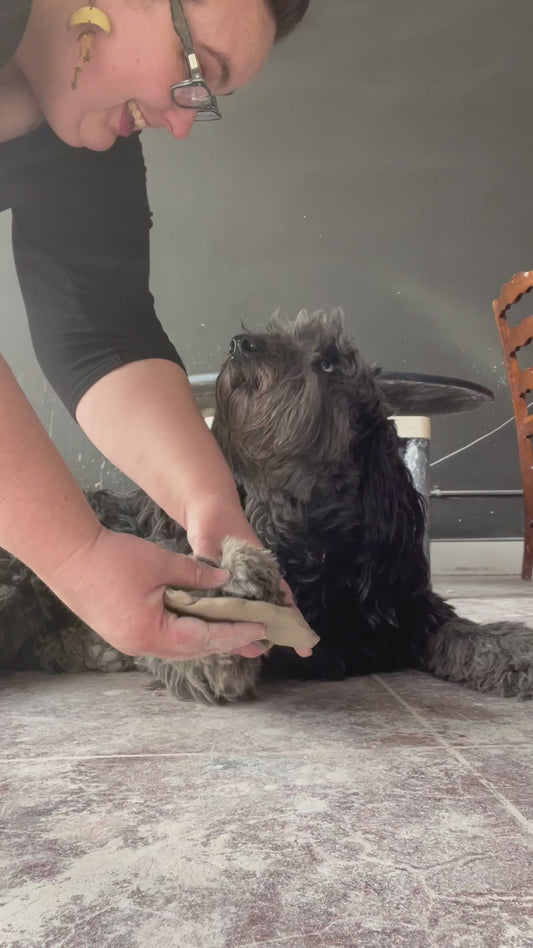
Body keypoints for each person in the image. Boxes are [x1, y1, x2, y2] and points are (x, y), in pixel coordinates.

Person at [0, 0, 311, 666]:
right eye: (196, 68)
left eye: (203, 99)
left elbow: (101, 330)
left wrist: (210, 505)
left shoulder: (78, 130)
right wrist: (77, 557)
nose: (178, 123)